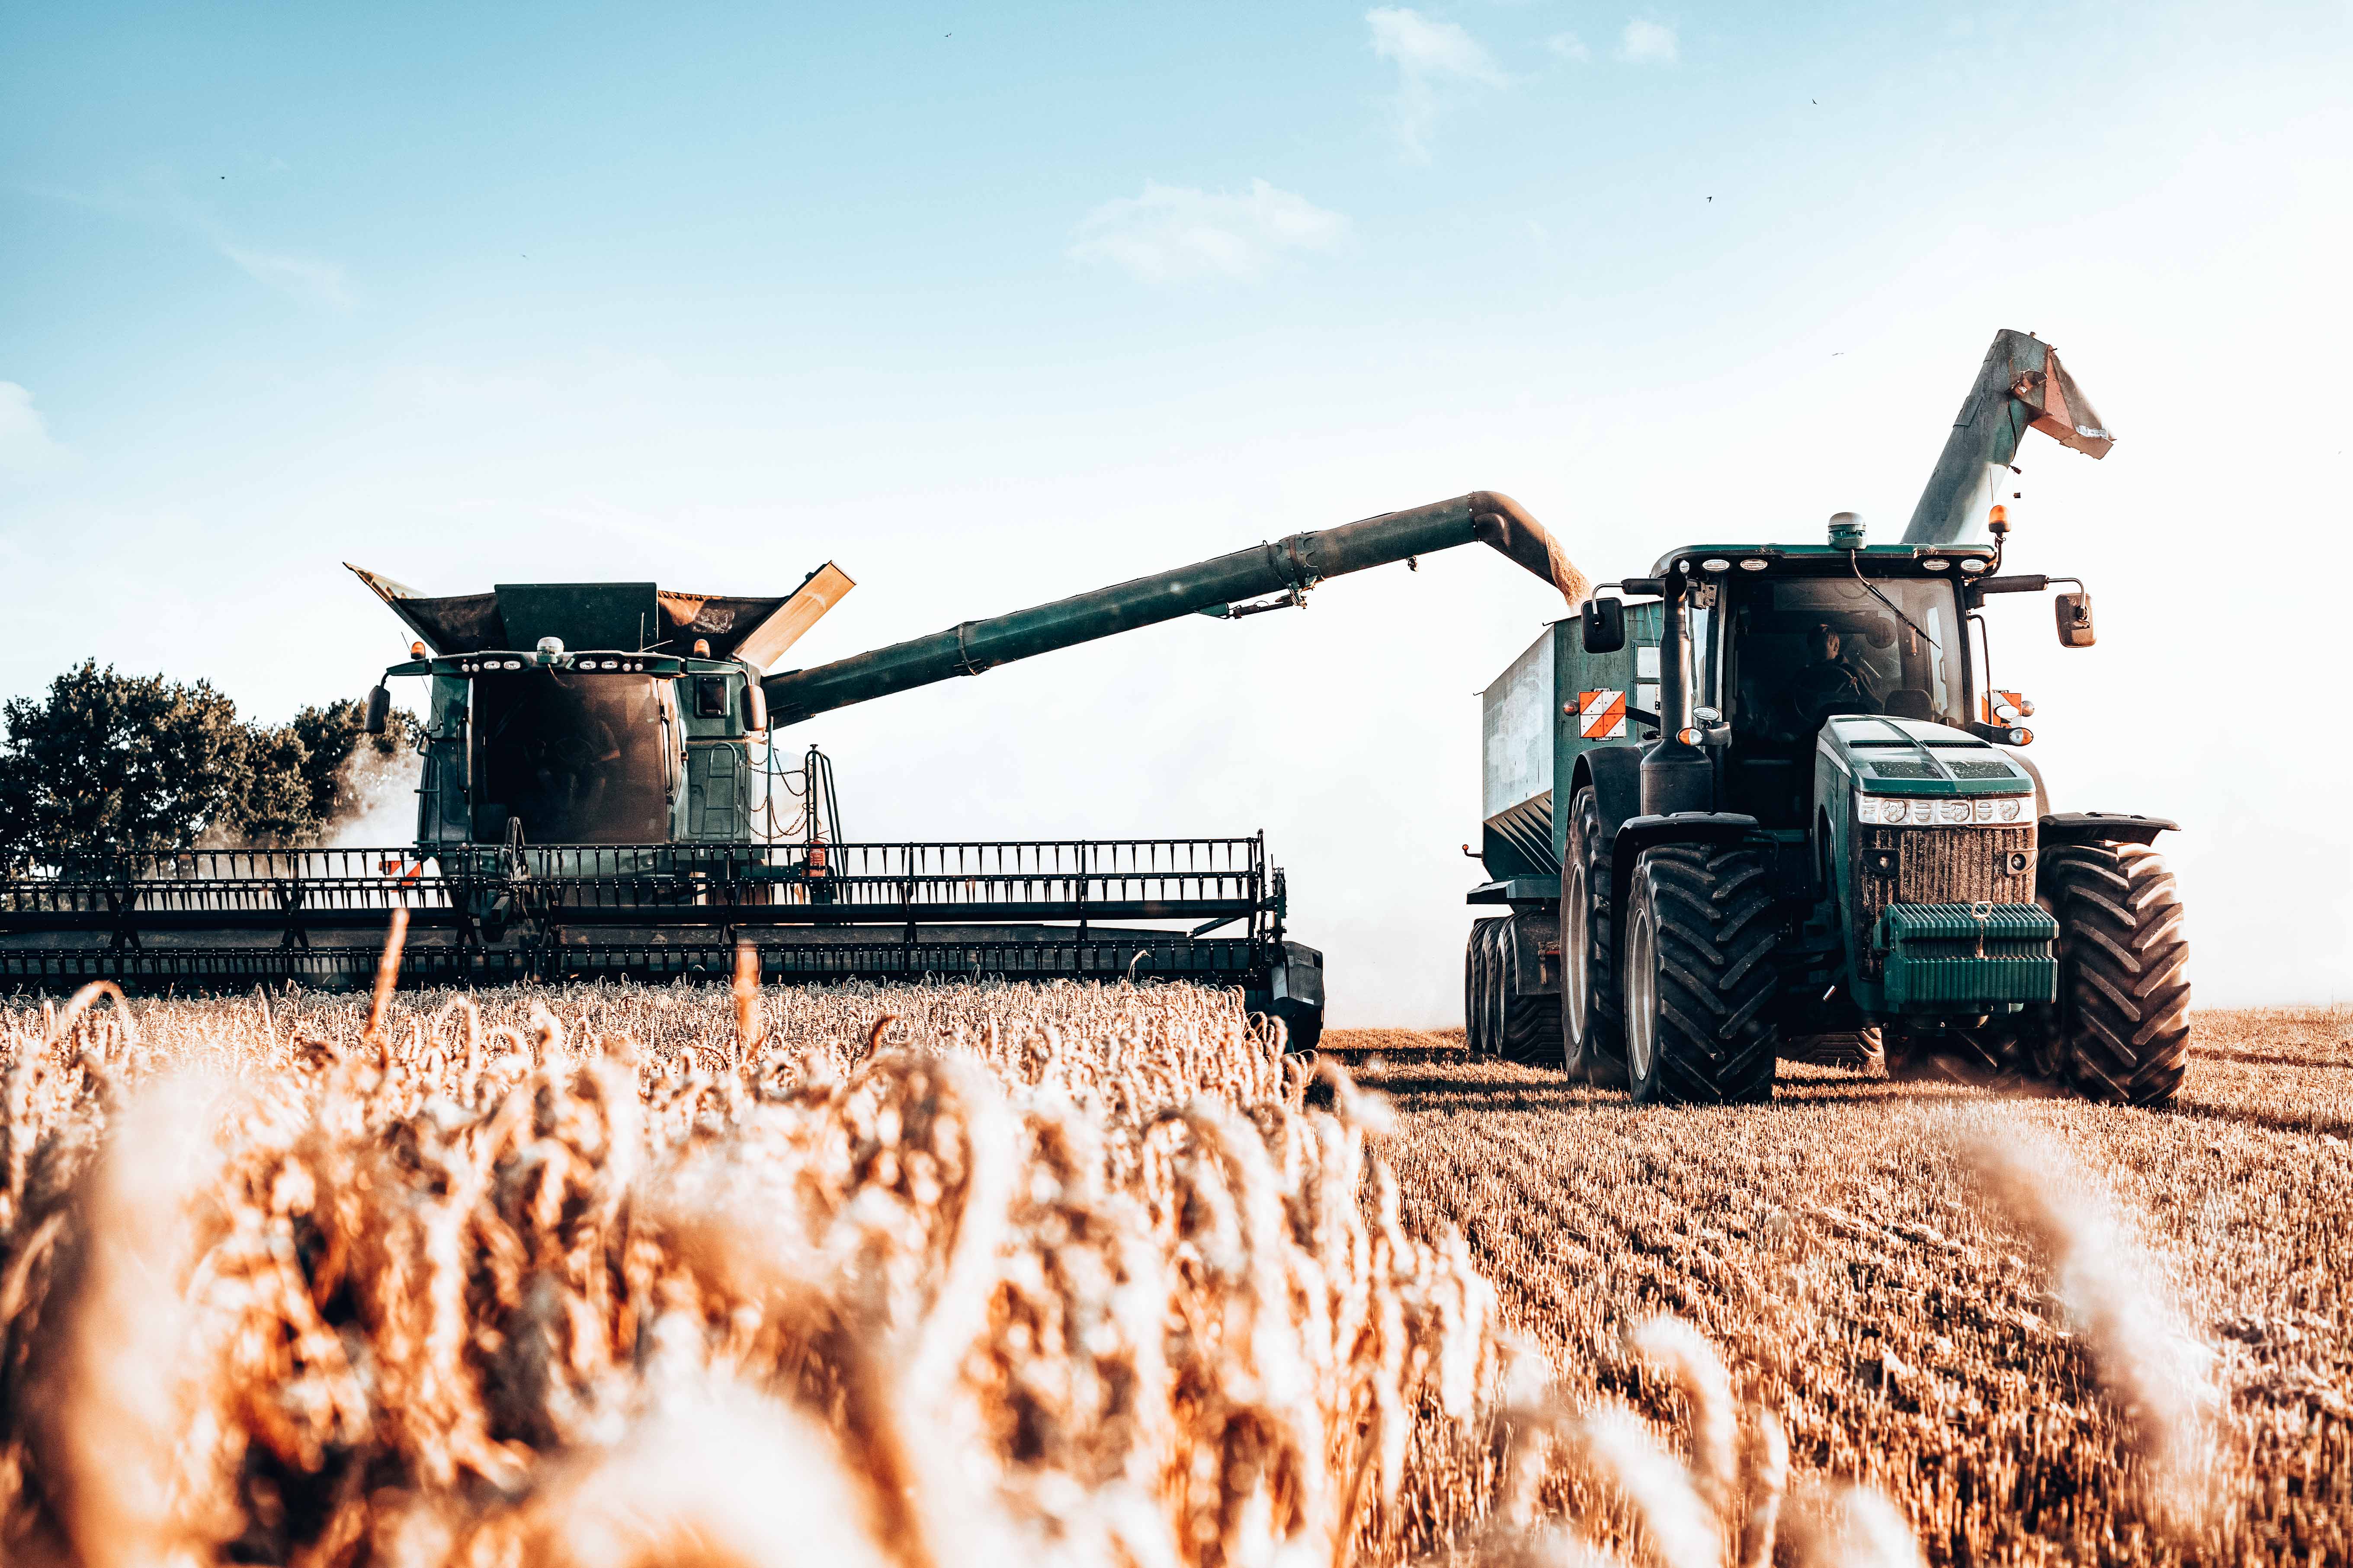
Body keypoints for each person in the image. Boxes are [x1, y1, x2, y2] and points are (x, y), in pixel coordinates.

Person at [1776, 621, 1878, 733]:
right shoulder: (1804, 677)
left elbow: (1874, 709)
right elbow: (1787, 707)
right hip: (1810, 735)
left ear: (1836, 646)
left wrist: (1850, 705)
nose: (1815, 651)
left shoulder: (1854, 673)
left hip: (1846, 733)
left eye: (1820, 646)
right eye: (1812, 647)